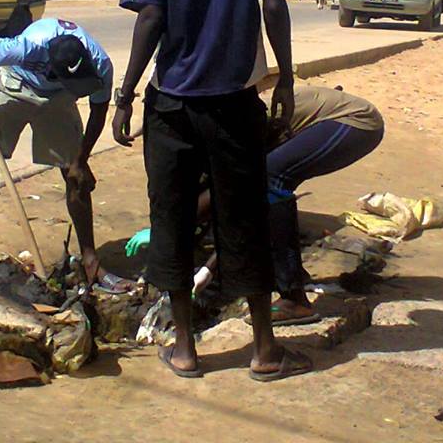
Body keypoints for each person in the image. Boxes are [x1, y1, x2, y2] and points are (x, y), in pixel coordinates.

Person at [113, 0, 311, 381]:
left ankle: (184, 350)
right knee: (242, 217)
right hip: (235, 103)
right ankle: (265, 350)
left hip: (172, 105)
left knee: (171, 217)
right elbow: (274, 6)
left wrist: (126, 93)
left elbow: (150, 15)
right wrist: (286, 78)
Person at [127, 85, 385, 325]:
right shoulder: (217, 139)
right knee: (269, 184)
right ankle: (292, 276)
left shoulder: (232, 131)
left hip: (355, 122)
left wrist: (172, 236)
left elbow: (234, 201)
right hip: (326, 125)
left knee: (273, 179)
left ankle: (294, 300)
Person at [0, 17, 131, 294]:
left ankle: (90, 260)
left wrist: (81, 159)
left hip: (58, 98)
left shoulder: (100, 64)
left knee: (76, 176)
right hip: (18, 83)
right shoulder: (27, 47)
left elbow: (98, 111)